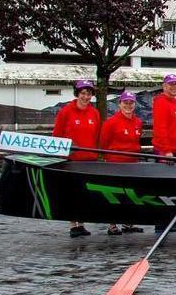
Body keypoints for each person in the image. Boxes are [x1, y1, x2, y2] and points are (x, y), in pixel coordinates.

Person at [53, 79, 101, 237]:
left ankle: (81, 223)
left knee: (84, 193)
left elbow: (97, 135)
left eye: (88, 94)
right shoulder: (66, 111)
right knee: (71, 193)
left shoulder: (94, 113)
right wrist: (60, 155)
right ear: (77, 94)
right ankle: (73, 224)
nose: (86, 97)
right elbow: (57, 134)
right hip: (72, 159)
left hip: (90, 159)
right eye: (83, 93)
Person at [97, 90, 146, 235]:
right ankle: (112, 225)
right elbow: (103, 144)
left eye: (131, 103)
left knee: (130, 194)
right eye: (125, 103)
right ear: (120, 104)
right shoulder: (111, 123)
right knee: (114, 195)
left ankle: (128, 223)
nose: (128, 106)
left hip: (133, 163)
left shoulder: (138, 122)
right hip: (116, 164)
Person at [151, 73, 176, 159]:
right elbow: (160, 128)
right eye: (171, 84)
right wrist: (167, 150)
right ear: (164, 86)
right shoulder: (160, 102)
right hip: (166, 152)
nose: (174, 86)